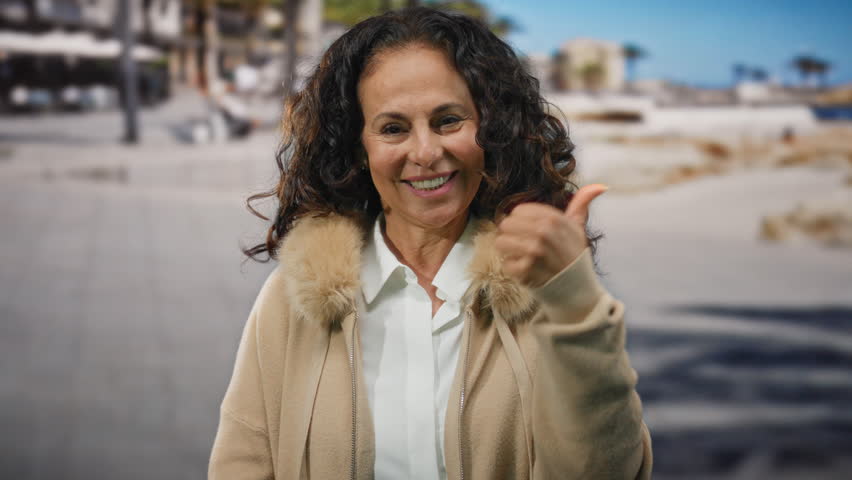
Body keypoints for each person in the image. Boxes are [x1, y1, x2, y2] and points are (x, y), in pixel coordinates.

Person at [209, 7, 652, 480]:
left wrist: (575, 303)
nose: (425, 153)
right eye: (393, 128)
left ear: (491, 128)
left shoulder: (546, 298)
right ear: (359, 148)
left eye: (448, 121)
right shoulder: (289, 303)